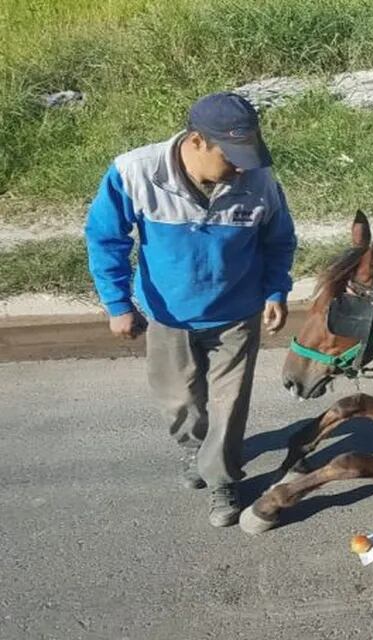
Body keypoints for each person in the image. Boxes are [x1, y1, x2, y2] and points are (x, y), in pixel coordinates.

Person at [84, 92, 297, 527]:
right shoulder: (136, 172)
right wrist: (117, 303)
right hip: (168, 314)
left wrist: (275, 292)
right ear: (196, 141)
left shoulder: (258, 179)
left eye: (247, 154)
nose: (241, 166)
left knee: (228, 402)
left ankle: (221, 477)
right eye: (231, 155)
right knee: (180, 399)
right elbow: (106, 237)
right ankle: (192, 445)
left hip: (237, 311)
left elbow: (279, 240)